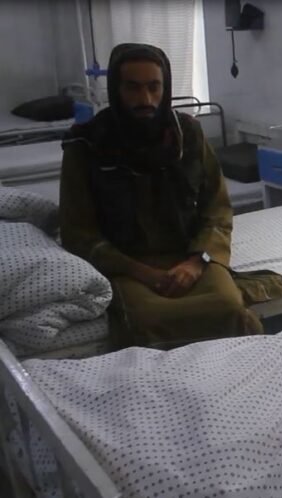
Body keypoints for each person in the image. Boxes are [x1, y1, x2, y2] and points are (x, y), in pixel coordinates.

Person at [59, 43, 263, 349]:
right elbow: (78, 232)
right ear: (116, 89)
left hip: (191, 256)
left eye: (154, 87)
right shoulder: (87, 145)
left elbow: (217, 210)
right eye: (133, 88)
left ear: (165, 88)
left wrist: (196, 262)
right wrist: (144, 273)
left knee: (230, 308)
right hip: (125, 264)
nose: (145, 100)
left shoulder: (188, 135)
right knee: (148, 320)